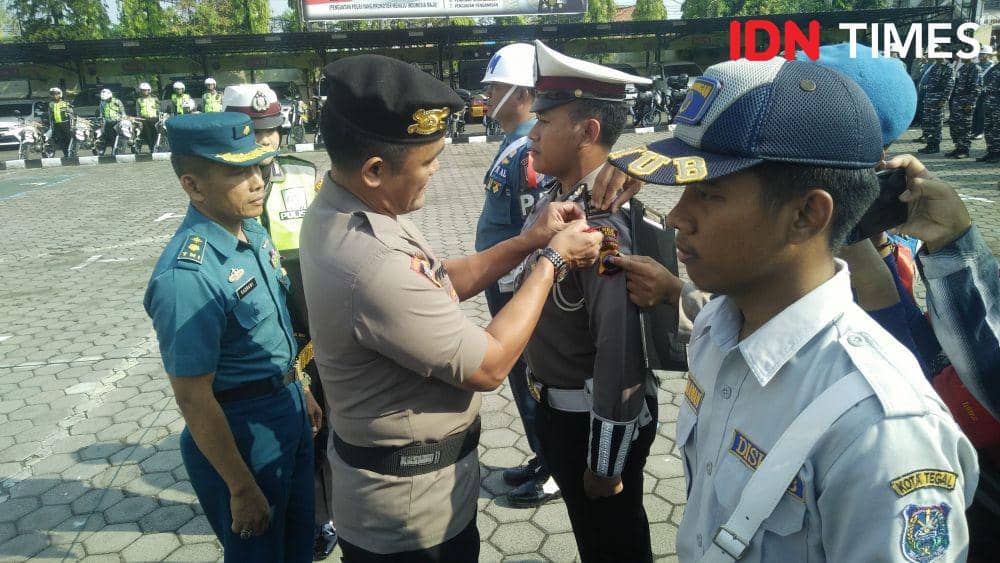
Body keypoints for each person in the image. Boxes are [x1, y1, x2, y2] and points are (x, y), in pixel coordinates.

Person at [608, 57, 978, 561]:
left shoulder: (881, 429)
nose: (676, 217)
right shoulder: (720, 326)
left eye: (708, 194)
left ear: (807, 214)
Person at [299, 54, 602, 561]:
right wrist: (552, 260)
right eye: (427, 161)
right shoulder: (369, 262)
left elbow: (440, 281)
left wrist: (527, 241)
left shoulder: (349, 207)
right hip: (410, 523)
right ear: (374, 170)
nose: (437, 169)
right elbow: (489, 365)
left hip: (419, 492)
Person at [143, 113, 314, 562]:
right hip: (242, 433)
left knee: (299, 546)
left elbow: (273, 331)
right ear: (193, 186)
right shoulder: (187, 276)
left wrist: (300, 389)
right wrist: (239, 487)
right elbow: (193, 397)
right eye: (237, 172)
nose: (258, 181)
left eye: (257, 166)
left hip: (287, 409)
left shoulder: (250, 231)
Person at [513, 40, 656, 562]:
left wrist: (604, 462)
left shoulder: (602, 225)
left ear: (588, 132)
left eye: (545, 121)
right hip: (559, 411)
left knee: (613, 546)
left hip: (589, 425)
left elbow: (619, 353)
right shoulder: (561, 199)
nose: (532, 133)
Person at [222, 82, 337, 560]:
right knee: (280, 421)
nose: (265, 140)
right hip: (262, 319)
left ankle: (323, 512)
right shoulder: (222, 188)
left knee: (321, 413)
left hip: (309, 310)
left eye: (271, 130)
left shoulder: (303, 174)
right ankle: (293, 506)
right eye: (254, 131)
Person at [474, 42, 558, 508]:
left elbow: (535, 228)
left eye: (496, 88)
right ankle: (544, 455)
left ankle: (556, 468)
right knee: (524, 378)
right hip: (503, 280)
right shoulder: (516, 144)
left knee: (532, 378)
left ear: (522, 94)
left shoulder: (528, 151)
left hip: (516, 286)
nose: (487, 96)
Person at [946, 57, 981, 159]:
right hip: (957, 101)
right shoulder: (962, 68)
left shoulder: (975, 68)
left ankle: (964, 150)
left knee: (964, 127)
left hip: (966, 102)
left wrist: (970, 103)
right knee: (955, 125)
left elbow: (976, 88)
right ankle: (958, 147)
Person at [918, 59, 955, 154]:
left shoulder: (948, 68)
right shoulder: (934, 67)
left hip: (938, 99)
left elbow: (949, 85)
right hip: (929, 98)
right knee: (928, 122)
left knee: (936, 123)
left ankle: (935, 145)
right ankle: (929, 144)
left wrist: (944, 100)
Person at [978, 48, 1000, 163]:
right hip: (989, 101)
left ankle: (997, 153)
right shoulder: (995, 67)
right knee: (988, 127)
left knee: (997, 128)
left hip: (997, 102)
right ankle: (991, 151)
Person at [95, 88, 125, 156]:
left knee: (119, 136)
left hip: (117, 121)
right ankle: (113, 149)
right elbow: (101, 113)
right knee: (109, 136)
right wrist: (101, 120)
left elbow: (122, 111)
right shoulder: (102, 103)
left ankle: (119, 149)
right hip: (108, 122)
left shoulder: (117, 101)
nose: (106, 100)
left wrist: (123, 118)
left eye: (107, 99)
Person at [47, 87, 72, 157]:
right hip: (56, 125)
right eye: (53, 94)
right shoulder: (51, 104)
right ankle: (66, 154)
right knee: (61, 140)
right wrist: (51, 126)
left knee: (68, 139)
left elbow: (71, 113)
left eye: (56, 94)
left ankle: (71, 152)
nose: (55, 96)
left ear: (60, 94)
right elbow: (50, 116)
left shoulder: (65, 103)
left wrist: (72, 124)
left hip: (66, 124)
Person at [136, 82, 161, 154]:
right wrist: (139, 120)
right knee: (148, 134)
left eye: (145, 90)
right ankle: (151, 148)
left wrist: (160, 117)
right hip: (144, 119)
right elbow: (138, 111)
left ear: (149, 90)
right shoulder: (139, 100)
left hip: (154, 118)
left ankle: (156, 146)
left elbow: (159, 109)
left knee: (155, 133)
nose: (144, 92)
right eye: (142, 90)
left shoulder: (155, 99)